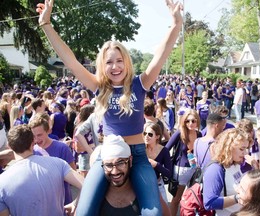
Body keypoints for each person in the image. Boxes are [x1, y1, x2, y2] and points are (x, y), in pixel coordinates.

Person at [36, 0, 182, 215]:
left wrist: (176, 24)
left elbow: (161, 55)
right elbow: (71, 61)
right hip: (108, 157)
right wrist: (46, 24)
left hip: (138, 156)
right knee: (84, 211)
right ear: (102, 66)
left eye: (119, 60)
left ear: (127, 62)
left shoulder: (140, 83)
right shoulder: (98, 86)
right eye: (109, 62)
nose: (115, 66)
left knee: (153, 212)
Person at [0, 125, 84, 216]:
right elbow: (86, 184)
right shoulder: (59, 163)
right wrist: (75, 203)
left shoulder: (2, 181)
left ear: (9, 146)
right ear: (33, 142)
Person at [29, 115, 76, 205]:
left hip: (62, 201)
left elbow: (73, 172)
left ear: (48, 131)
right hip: (42, 202)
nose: (36, 139)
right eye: (33, 136)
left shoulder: (62, 148)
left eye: (39, 135)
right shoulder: (32, 150)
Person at [203, 128, 249, 216]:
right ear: (228, 148)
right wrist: (237, 198)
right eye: (242, 149)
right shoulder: (215, 169)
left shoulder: (235, 164)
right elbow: (209, 203)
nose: (245, 153)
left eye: (246, 148)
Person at [165, 109, 202, 216]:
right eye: (188, 121)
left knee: (193, 198)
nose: (190, 123)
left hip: (195, 170)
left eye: (193, 121)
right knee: (176, 199)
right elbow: (166, 149)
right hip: (181, 171)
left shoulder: (199, 134)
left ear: (197, 121)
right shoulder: (180, 133)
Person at [144, 122, 172, 203]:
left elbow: (169, 173)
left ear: (157, 136)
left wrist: (156, 165)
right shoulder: (141, 149)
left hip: (158, 184)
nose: (146, 136)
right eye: (145, 133)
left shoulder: (164, 151)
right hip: (142, 184)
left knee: (164, 210)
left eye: (150, 134)